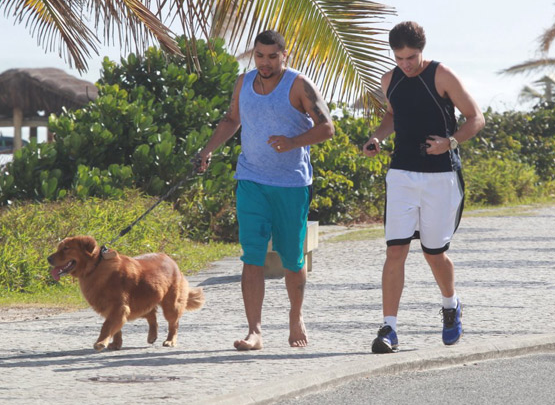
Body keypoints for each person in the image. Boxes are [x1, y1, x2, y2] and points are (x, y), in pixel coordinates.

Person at [196, 30, 334, 350]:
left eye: (273, 56)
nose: (265, 62)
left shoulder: (299, 84)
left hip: (291, 184)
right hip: (251, 180)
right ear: (253, 55)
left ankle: (295, 317)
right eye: (260, 55)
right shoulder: (243, 82)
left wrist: (292, 143)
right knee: (252, 256)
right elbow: (232, 120)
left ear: (285, 54)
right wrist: (207, 151)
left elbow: (327, 128)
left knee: (292, 259)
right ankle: (254, 331)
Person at [362, 21, 485, 353]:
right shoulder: (390, 80)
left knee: (434, 253)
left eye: (412, 57)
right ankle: (389, 328)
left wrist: (451, 142)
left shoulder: (442, 75)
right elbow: (392, 116)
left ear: (422, 50)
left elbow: (476, 117)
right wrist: (377, 137)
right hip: (401, 174)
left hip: (441, 176)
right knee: (395, 250)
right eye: (400, 58)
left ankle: (451, 305)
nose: (406, 64)